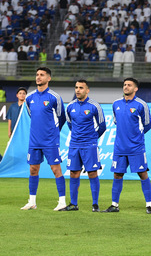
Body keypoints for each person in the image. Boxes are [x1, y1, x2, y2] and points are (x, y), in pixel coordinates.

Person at [103, 78, 151, 214]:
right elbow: (116, 122)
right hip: (119, 147)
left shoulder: (141, 105)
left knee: (142, 174)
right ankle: (114, 205)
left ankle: (149, 205)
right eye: (124, 84)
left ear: (135, 89)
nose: (126, 87)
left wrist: (136, 137)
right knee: (117, 175)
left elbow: (147, 125)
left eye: (129, 85)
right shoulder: (116, 104)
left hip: (136, 147)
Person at [21, 67, 67, 211]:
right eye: (37, 75)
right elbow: (31, 115)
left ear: (49, 78)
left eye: (42, 75)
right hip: (34, 140)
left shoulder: (54, 97)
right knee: (33, 169)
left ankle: (62, 202)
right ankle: (32, 201)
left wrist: (52, 132)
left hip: (50, 141)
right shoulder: (29, 98)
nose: (38, 77)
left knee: (55, 169)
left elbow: (62, 117)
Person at [64, 80, 106, 212]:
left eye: (81, 88)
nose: (78, 90)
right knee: (74, 173)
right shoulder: (70, 106)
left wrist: (92, 138)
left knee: (92, 173)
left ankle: (95, 204)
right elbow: (70, 125)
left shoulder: (94, 106)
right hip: (74, 145)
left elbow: (102, 126)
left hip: (89, 145)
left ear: (87, 90)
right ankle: (73, 204)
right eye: (76, 87)